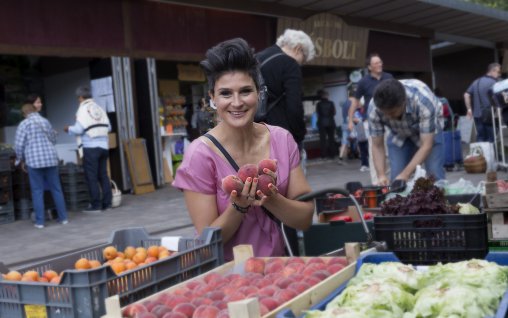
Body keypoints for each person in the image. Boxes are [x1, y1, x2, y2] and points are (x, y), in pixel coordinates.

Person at [172, 38, 314, 261]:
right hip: (229, 280)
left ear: (259, 92)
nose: (237, 103)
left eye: (246, 91)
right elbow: (207, 245)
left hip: (279, 272)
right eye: (226, 93)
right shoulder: (200, 155)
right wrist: (238, 207)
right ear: (212, 98)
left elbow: (305, 218)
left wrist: (271, 198)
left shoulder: (281, 139)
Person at [368, 79, 445, 185]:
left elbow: (426, 146)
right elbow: (377, 145)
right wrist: (381, 175)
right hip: (399, 133)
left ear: (404, 102)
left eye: (392, 112)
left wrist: (405, 175)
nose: (388, 116)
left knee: (434, 175)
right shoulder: (374, 108)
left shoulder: (423, 101)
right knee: (396, 181)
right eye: (384, 113)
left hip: (429, 131)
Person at [256, 29, 315, 151]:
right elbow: (294, 106)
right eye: (303, 59)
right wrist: (299, 134)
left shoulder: (258, 58)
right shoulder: (290, 64)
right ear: (298, 48)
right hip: (280, 134)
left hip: (256, 131)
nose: (301, 64)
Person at [14, 104, 68, 228]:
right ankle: (63, 218)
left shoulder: (24, 124)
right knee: (56, 189)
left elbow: (18, 145)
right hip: (50, 159)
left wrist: (20, 159)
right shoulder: (45, 121)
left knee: (37, 191)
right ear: (34, 110)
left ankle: (40, 222)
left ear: (24, 114)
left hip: (34, 161)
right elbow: (53, 140)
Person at [64, 85, 112, 213]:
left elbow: (79, 130)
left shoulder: (83, 109)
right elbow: (109, 127)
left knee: (91, 177)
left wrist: (68, 128)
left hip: (91, 147)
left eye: (78, 98)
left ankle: (96, 205)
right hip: (104, 147)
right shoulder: (99, 108)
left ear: (80, 97)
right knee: (103, 175)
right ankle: (107, 203)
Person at [348, 53, 393, 184]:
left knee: (390, 153)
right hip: (373, 122)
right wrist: (350, 120)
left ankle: (388, 181)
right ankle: (377, 182)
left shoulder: (389, 78)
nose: (380, 64)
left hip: (390, 121)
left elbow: (398, 95)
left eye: (380, 62)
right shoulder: (363, 82)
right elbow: (355, 102)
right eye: (376, 63)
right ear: (369, 67)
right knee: (375, 153)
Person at [464, 62, 501, 142]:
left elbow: (466, 95)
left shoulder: (476, 82)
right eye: (498, 72)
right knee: (491, 138)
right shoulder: (494, 82)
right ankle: (491, 155)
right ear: (493, 71)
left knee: (480, 137)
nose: (499, 75)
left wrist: (469, 109)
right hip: (489, 116)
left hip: (477, 116)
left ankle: (481, 154)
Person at [315, 90, 337, 160]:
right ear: (327, 96)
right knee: (331, 139)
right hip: (331, 122)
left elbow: (317, 113)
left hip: (321, 123)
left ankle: (323, 155)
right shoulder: (331, 103)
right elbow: (334, 113)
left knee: (323, 140)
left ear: (321, 96)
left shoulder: (318, 104)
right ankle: (332, 155)